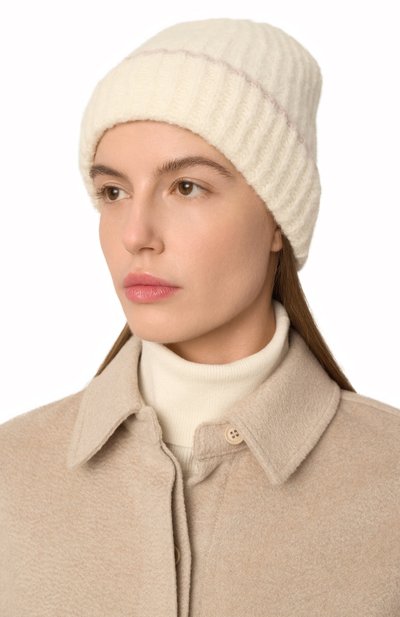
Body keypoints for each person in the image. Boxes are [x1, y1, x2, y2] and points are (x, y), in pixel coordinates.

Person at [1, 17, 399, 617]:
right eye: (114, 193)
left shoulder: (388, 483)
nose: (136, 234)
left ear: (278, 220)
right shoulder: (12, 472)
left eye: (186, 187)